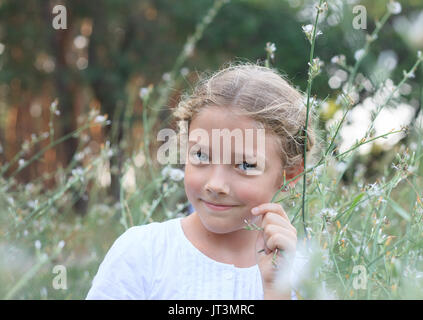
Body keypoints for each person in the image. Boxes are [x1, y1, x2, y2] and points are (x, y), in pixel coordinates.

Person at [86, 62, 316, 300]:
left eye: (245, 165)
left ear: (291, 175)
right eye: (201, 156)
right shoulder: (142, 253)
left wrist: (276, 290)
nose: (216, 184)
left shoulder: (305, 277)